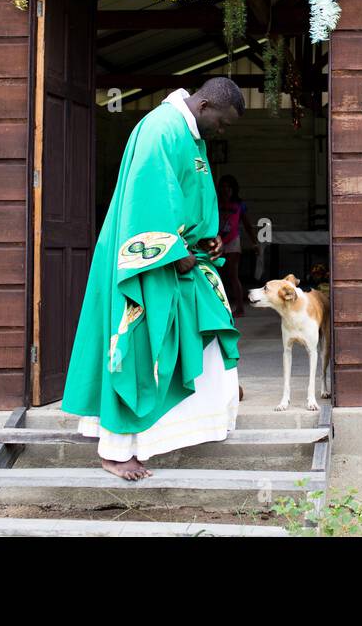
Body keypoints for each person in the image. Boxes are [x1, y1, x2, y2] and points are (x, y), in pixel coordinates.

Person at [62, 78, 246, 481]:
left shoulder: (190, 132)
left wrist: (209, 238)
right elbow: (146, 198)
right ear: (206, 104)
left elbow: (193, 193)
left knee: (210, 328)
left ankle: (199, 425)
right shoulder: (161, 128)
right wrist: (176, 253)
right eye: (223, 121)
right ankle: (114, 450)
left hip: (182, 257)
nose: (222, 130)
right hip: (150, 259)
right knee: (138, 348)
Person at [216, 175, 257, 318]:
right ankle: (219, 308)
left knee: (233, 275)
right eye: (223, 186)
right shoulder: (215, 203)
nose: (226, 190)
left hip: (233, 241)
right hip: (217, 240)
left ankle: (240, 308)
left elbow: (247, 225)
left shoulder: (239, 205)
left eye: (229, 187)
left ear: (234, 189)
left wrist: (254, 242)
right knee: (217, 276)